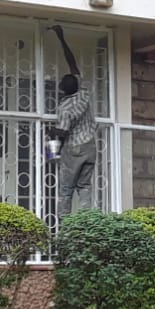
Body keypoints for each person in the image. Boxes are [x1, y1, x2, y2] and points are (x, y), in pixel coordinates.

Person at [49, 24, 96, 219]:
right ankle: (86, 222)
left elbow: (63, 133)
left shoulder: (64, 109)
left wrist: (51, 134)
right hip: (90, 146)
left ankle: (65, 226)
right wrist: (61, 38)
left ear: (63, 89)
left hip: (74, 148)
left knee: (66, 188)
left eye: (60, 83)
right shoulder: (83, 92)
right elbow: (72, 63)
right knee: (84, 186)